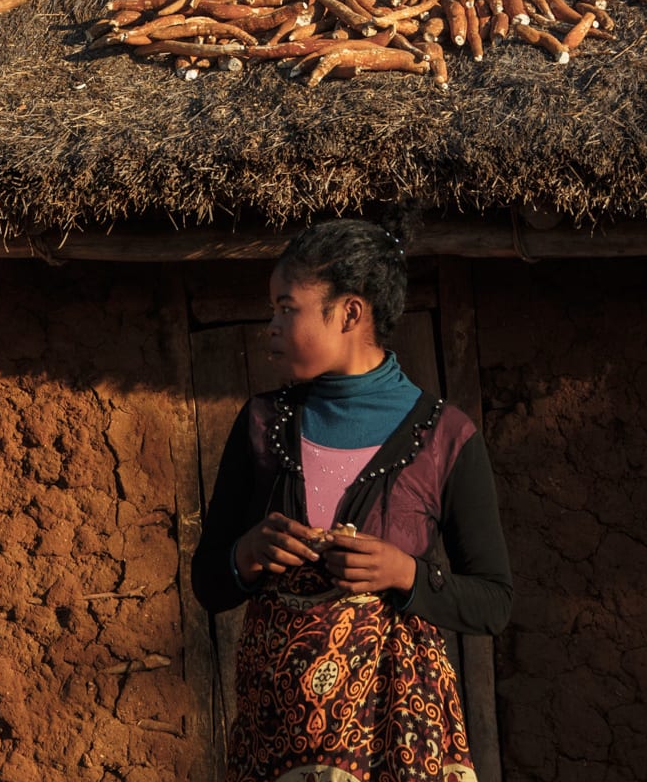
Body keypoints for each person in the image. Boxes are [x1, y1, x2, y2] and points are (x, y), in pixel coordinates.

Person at [191, 219, 511, 782]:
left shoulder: (447, 438)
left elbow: (493, 601)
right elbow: (208, 584)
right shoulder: (261, 425)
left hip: (399, 742)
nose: (271, 326)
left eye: (287, 308)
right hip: (277, 741)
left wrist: (406, 574)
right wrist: (245, 554)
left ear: (350, 313)